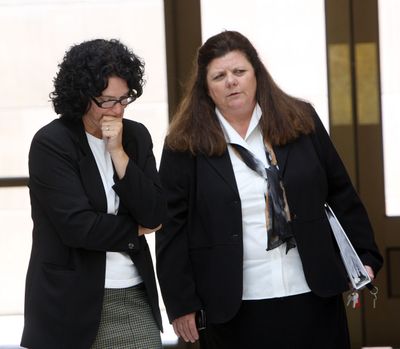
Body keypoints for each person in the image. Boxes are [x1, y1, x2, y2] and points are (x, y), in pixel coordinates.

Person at [156, 30, 383, 349]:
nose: (231, 81)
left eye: (239, 71)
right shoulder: (184, 144)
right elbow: (172, 229)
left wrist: (363, 256)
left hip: (312, 291)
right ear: (206, 88)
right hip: (233, 304)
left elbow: (340, 192)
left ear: (256, 74)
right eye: (219, 76)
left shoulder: (300, 120)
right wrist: (181, 302)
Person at [21, 39, 166, 349]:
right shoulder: (52, 144)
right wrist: (137, 229)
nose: (116, 109)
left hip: (132, 294)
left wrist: (118, 153)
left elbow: (155, 212)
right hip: (67, 302)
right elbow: (78, 227)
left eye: (124, 99)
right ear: (81, 97)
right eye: (105, 100)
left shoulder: (136, 137)